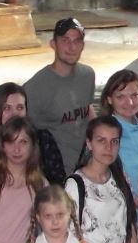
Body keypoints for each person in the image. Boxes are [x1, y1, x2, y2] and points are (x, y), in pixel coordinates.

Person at [25, 17, 95, 169]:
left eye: (77, 41)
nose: (72, 47)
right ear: (53, 44)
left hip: (87, 166)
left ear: (83, 45)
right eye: (65, 40)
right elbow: (20, 129)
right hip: (55, 170)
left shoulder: (88, 75)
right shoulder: (35, 87)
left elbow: (88, 110)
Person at [0, 83, 66, 186]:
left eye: (19, 108)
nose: (14, 114)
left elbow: (58, 183)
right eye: (7, 108)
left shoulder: (43, 140)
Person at [100, 70, 138, 198]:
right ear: (109, 99)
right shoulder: (105, 134)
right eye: (121, 97)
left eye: (134, 95)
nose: (129, 102)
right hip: (124, 203)